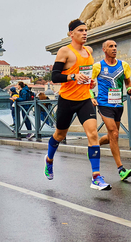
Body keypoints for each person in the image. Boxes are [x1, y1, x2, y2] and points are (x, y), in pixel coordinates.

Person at [45, 19, 110, 191]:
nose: (85, 33)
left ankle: (96, 176)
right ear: (71, 33)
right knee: (59, 135)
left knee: (93, 134)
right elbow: (55, 76)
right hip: (67, 100)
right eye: (81, 30)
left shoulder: (88, 51)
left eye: (86, 30)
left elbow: (86, 75)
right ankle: (49, 160)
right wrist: (72, 77)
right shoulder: (65, 51)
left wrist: (91, 83)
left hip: (84, 100)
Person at [92, 39, 131, 182]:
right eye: (110, 46)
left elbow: (128, 83)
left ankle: (95, 145)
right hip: (104, 104)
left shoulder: (123, 65)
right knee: (114, 132)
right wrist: (91, 96)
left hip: (118, 104)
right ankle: (121, 169)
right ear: (104, 49)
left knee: (113, 136)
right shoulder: (98, 66)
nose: (114, 48)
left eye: (115, 46)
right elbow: (88, 84)